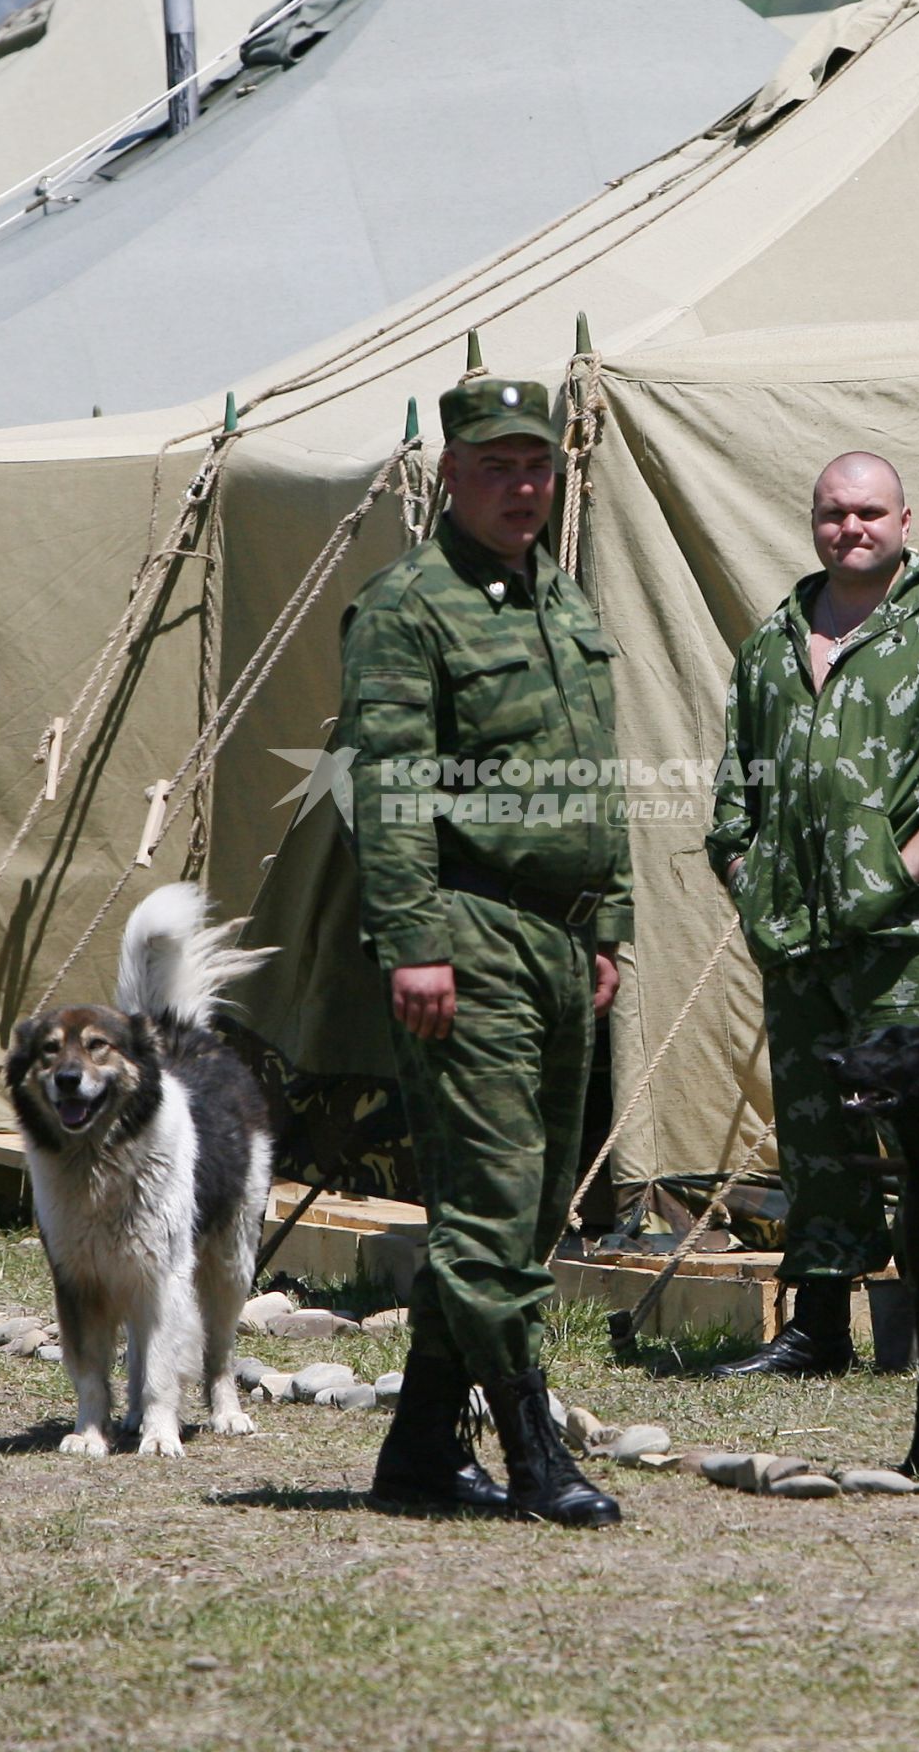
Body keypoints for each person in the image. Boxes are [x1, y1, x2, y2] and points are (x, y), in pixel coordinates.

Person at [335, 374, 633, 1525]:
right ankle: (533, 1451)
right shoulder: (408, 605)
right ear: (448, 473)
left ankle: (415, 1456)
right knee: (496, 1206)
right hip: (464, 931)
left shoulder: (552, 594)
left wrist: (603, 924)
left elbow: (589, 776)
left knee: (533, 1201)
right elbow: (392, 787)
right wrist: (414, 942)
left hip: (558, 942)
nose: (523, 485)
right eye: (499, 465)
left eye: (538, 465)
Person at [705, 451, 919, 1378]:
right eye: (834, 513)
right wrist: (751, 882)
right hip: (797, 946)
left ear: (904, 520)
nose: (852, 528)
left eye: (869, 513)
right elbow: (738, 791)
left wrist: (886, 882)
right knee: (815, 1132)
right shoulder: (771, 642)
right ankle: (816, 1327)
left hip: (906, 945)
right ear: (813, 521)